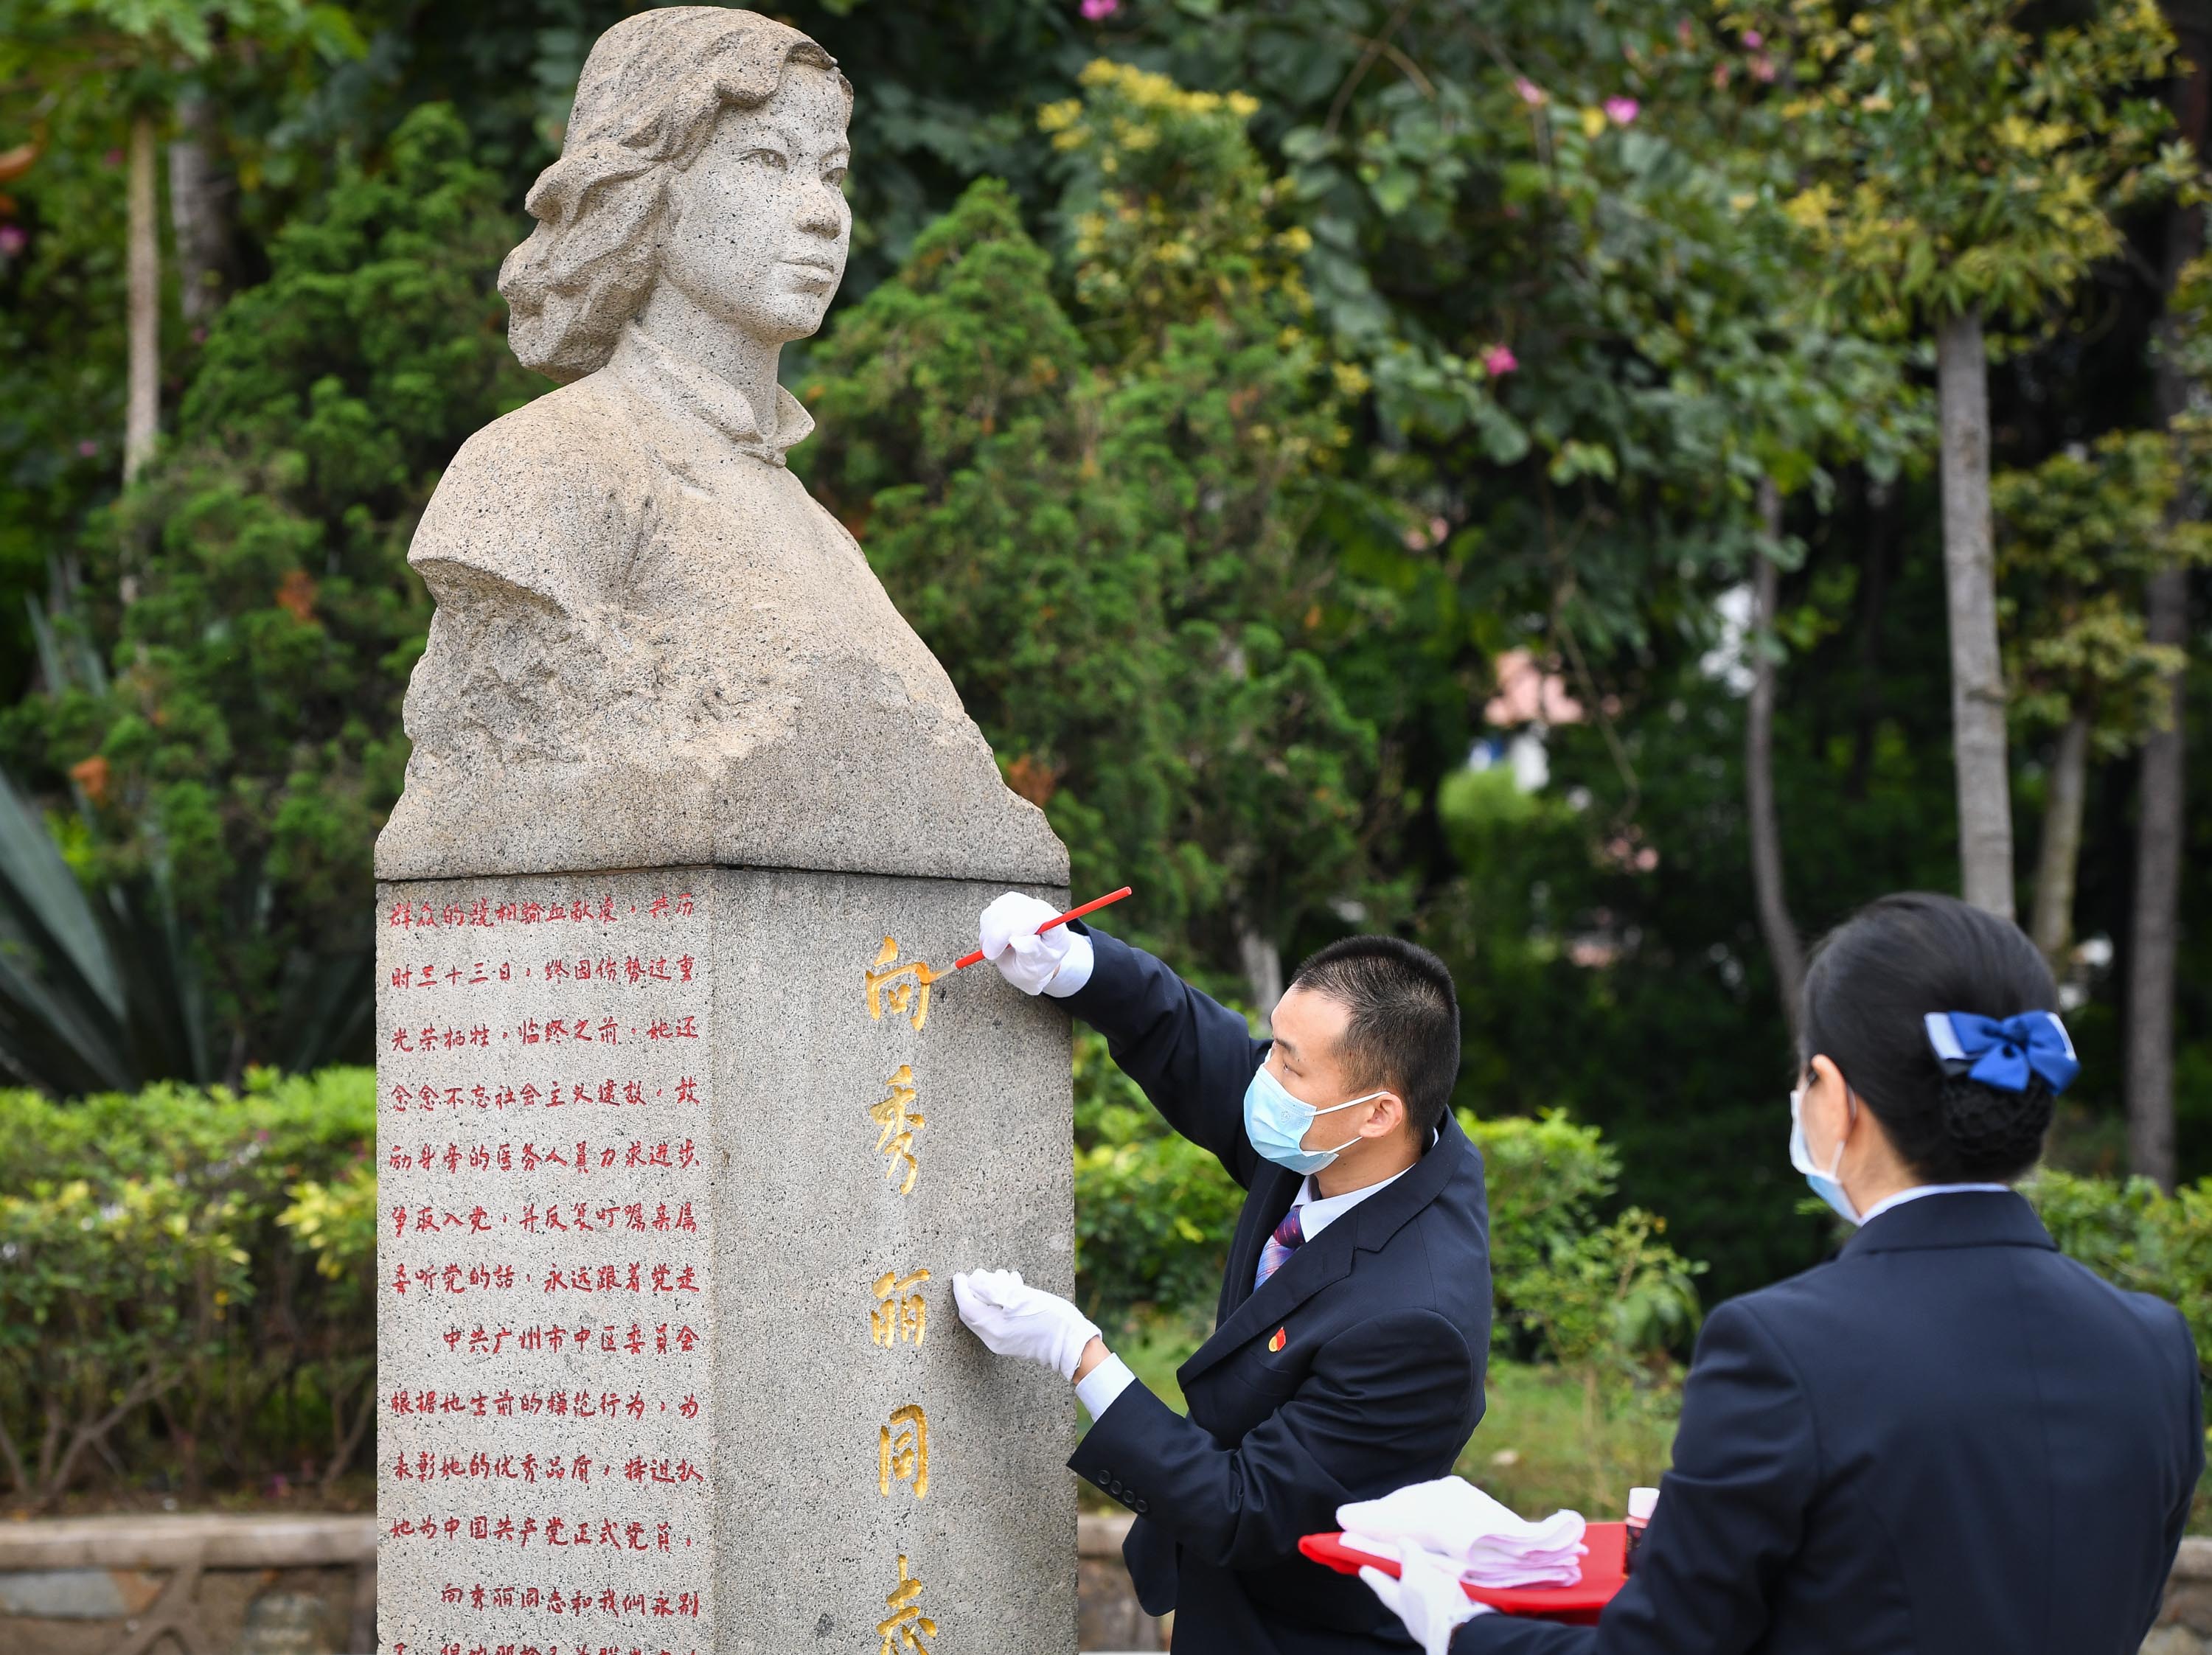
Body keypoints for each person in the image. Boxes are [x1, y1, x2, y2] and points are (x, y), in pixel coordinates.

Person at [1358, 892, 2203, 1655]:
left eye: (1803, 1074)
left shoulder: (1785, 1348)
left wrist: (1461, 1627)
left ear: (1835, 1095)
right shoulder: (2155, 1346)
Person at [952, 893, 1492, 1654]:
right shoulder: (1354, 1142)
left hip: (1307, 1629)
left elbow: (1244, 1505)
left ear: (1378, 1112)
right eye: (1275, 1042)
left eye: (1287, 1064)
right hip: (1222, 1592)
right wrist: (1075, 964)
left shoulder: (1415, 1323)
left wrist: (1079, 1355)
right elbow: (1199, 1049)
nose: (1262, 1076)